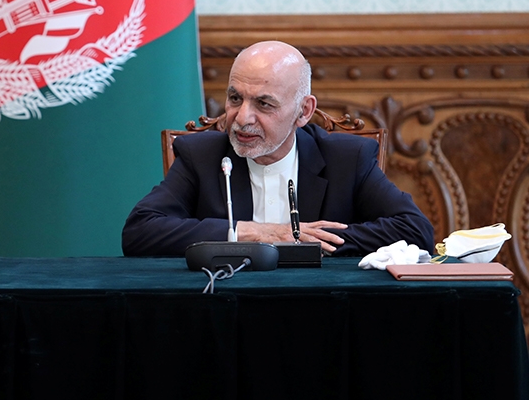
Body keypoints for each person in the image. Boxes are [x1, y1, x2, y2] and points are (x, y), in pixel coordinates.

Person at [122, 40, 434, 257]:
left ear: (303, 111)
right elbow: (140, 231)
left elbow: (416, 231)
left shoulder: (346, 157)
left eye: (263, 104)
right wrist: (253, 233)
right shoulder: (201, 155)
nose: (242, 118)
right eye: (235, 99)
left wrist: (304, 241)